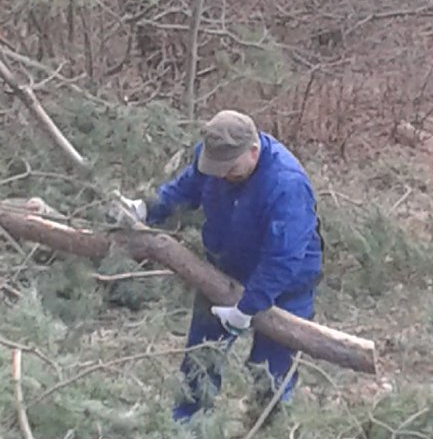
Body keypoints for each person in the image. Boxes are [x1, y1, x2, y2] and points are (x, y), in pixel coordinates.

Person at [120, 110, 323, 422]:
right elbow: (185, 189)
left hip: (284, 286)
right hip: (223, 271)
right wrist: (146, 207)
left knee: (271, 368)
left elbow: (282, 258)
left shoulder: (286, 185)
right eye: (216, 168)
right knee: (201, 355)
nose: (221, 174)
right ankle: (189, 422)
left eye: (230, 168)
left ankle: (265, 428)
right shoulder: (213, 158)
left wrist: (248, 307)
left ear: (253, 151)